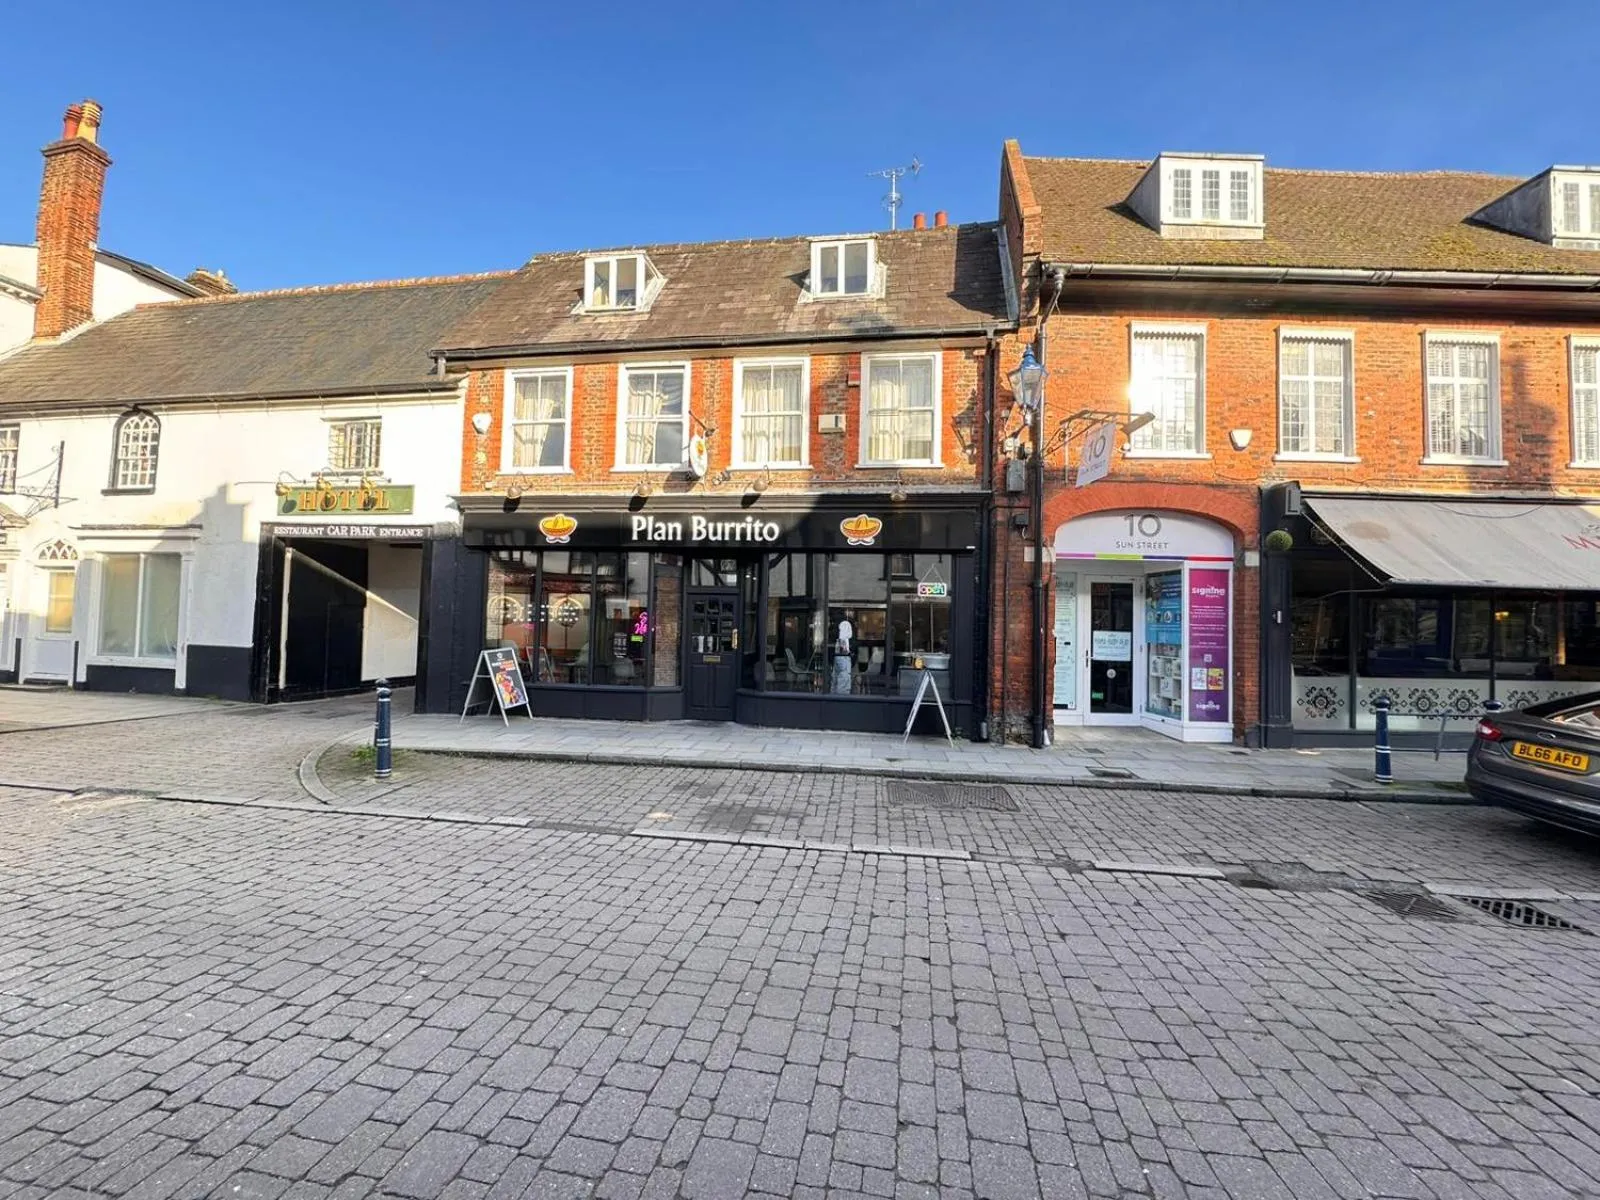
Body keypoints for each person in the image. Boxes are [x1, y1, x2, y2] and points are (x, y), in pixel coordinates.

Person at [833, 615, 854, 694]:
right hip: (844, 657)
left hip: (840, 656)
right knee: (844, 679)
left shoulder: (839, 640)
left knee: (836, 678)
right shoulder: (843, 639)